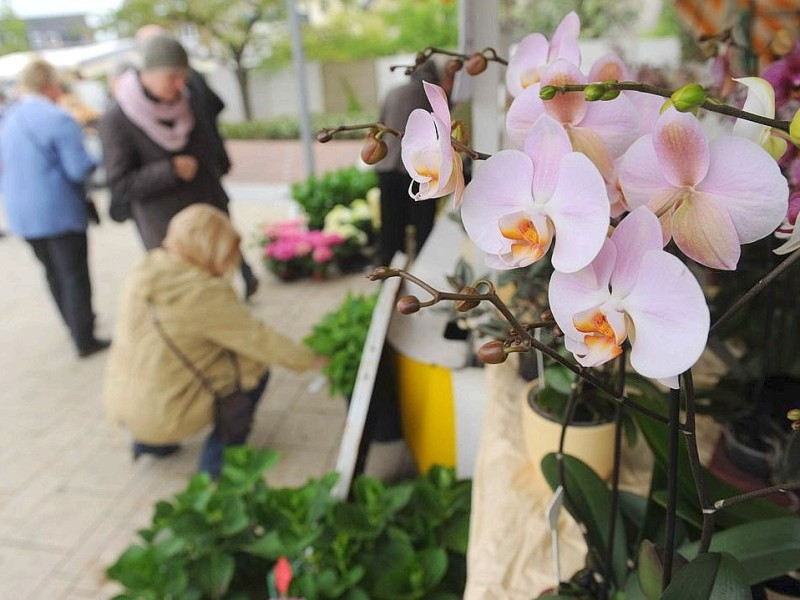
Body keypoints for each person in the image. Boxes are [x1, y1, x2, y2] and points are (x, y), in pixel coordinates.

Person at [103, 204, 321, 477]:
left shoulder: (146, 267)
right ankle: (215, 466)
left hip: (123, 408)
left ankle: (152, 445)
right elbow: (260, 340)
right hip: (164, 417)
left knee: (164, 363)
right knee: (256, 370)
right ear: (209, 246)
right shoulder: (200, 291)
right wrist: (314, 361)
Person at [98, 34, 258, 298]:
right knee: (187, 298)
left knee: (220, 294)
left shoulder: (191, 100)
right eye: (172, 77)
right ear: (147, 74)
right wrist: (168, 171)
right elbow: (120, 183)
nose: (180, 83)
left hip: (209, 213)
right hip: (167, 230)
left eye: (183, 75)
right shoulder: (117, 119)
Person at [0, 59, 108, 357]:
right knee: (73, 274)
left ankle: (73, 325)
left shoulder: (9, 116)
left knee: (52, 272)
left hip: (21, 214)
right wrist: (99, 160)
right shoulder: (58, 118)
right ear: (50, 85)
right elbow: (77, 169)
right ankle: (84, 338)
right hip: (57, 211)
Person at [375, 60, 442, 267]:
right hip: (419, 171)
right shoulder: (433, 96)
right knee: (423, 225)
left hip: (387, 167)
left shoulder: (392, 93)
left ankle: (388, 269)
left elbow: (380, 126)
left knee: (391, 223)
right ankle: (422, 269)